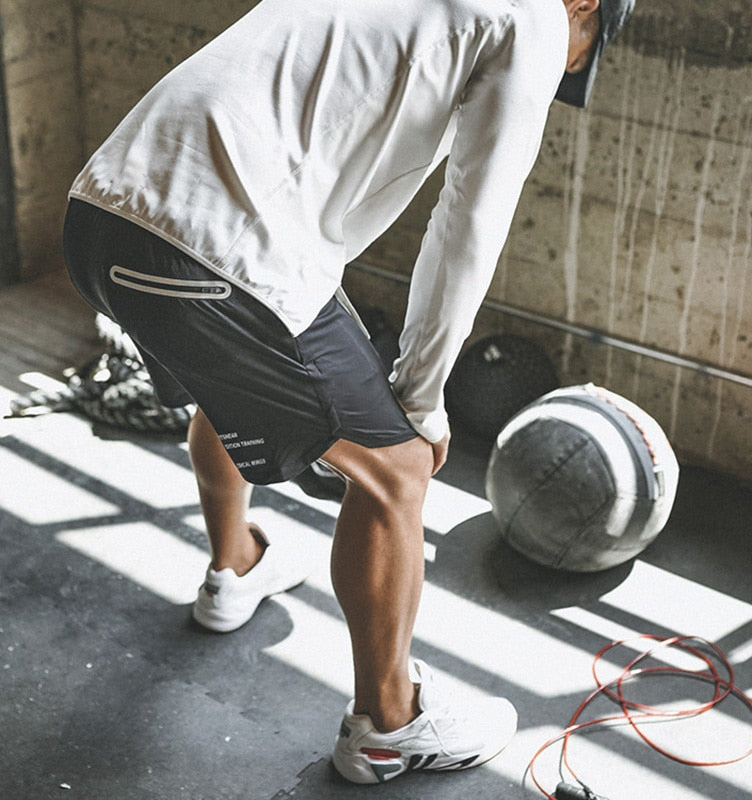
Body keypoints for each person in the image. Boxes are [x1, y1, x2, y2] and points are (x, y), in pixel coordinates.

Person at [63, 0, 634, 785]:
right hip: (215, 250)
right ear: (587, 7)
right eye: (583, 49)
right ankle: (387, 726)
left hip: (101, 216)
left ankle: (233, 571)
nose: (568, 62)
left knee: (224, 382)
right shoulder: (534, 16)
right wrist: (422, 398)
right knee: (396, 466)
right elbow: (470, 220)